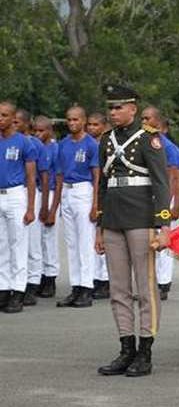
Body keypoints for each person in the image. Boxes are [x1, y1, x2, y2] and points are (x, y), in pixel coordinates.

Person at [94, 84, 170, 377]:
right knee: (119, 289)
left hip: (141, 219)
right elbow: (103, 183)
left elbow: (161, 184)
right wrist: (100, 226)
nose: (113, 113)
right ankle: (126, 348)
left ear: (133, 109)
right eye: (110, 108)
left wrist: (163, 225)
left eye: (118, 107)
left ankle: (145, 351)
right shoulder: (106, 140)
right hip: (113, 219)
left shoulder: (149, 139)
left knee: (145, 288)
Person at [52, 106, 99, 308]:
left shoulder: (91, 144)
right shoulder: (62, 144)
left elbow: (97, 175)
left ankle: (87, 288)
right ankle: (76, 286)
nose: (72, 123)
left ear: (83, 120)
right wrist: (58, 203)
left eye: (76, 120)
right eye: (69, 120)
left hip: (83, 190)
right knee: (71, 243)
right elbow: (60, 174)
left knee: (85, 242)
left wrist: (96, 203)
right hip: (67, 192)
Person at [141, 106, 179, 300]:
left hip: (163, 197)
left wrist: (173, 205)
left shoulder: (169, 148)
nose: (144, 122)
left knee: (163, 238)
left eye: (148, 118)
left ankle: (163, 283)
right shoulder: (141, 143)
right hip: (145, 196)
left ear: (158, 123)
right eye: (142, 118)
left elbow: (174, 178)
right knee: (147, 239)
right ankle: (149, 281)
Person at [0, 101, 37, 313]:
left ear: (13, 118)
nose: (0, 119)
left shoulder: (24, 143)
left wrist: (31, 207)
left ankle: (18, 290)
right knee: (2, 245)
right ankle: (3, 288)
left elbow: (31, 178)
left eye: (4, 115)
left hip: (16, 195)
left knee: (18, 244)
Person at [13, 109, 50, 306]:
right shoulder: (8, 141)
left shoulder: (34, 144)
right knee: (15, 242)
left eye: (18, 121)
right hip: (15, 193)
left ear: (26, 124)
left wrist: (43, 204)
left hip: (31, 193)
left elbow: (44, 175)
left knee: (33, 243)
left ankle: (32, 283)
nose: (14, 124)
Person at [33, 116, 60, 298]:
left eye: (41, 131)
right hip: (36, 193)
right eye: (35, 130)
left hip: (49, 193)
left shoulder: (55, 149)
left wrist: (51, 208)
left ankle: (50, 278)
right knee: (36, 240)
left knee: (49, 238)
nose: (38, 134)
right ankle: (39, 275)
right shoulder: (35, 147)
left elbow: (58, 177)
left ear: (49, 131)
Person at [88, 111, 111, 299]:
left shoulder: (108, 144)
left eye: (96, 125)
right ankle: (96, 277)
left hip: (109, 192)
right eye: (90, 124)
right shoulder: (90, 145)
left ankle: (105, 280)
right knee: (95, 237)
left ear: (104, 126)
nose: (91, 128)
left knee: (106, 235)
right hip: (92, 191)